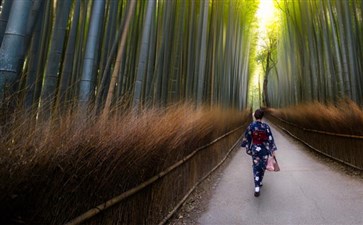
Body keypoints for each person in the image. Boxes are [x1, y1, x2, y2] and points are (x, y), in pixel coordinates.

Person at [241, 109, 277, 197]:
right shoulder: (266, 127)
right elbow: (270, 139)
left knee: (256, 166)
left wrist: (248, 148)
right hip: (264, 149)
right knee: (263, 166)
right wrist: (272, 151)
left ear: (254, 116)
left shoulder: (251, 126)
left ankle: (257, 186)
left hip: (255, 149)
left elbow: (247, 137)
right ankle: (260, 181)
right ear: (262, 116)